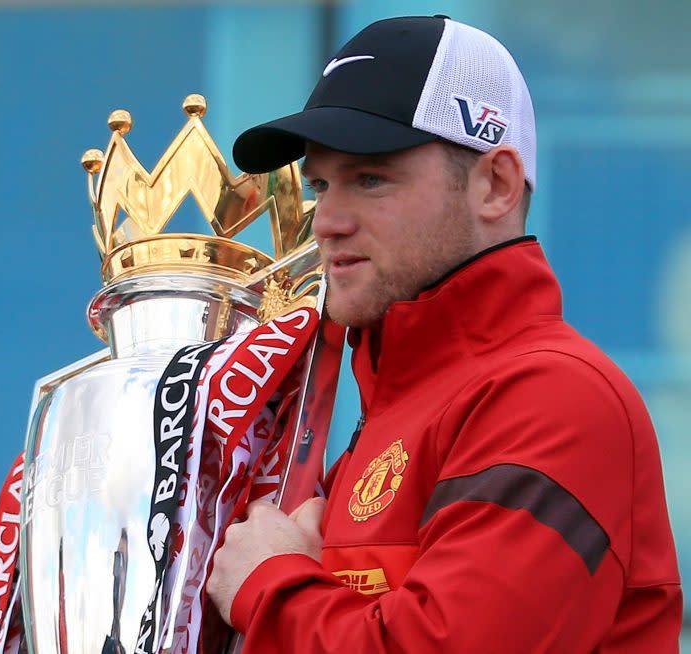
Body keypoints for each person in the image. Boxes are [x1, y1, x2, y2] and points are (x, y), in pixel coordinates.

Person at [205, 15, 682, 652]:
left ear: (496, 184)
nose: (328, 221)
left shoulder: (556, 397)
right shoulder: (383, 421)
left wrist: (271, 585)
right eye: (321, 184)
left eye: (370, 178)